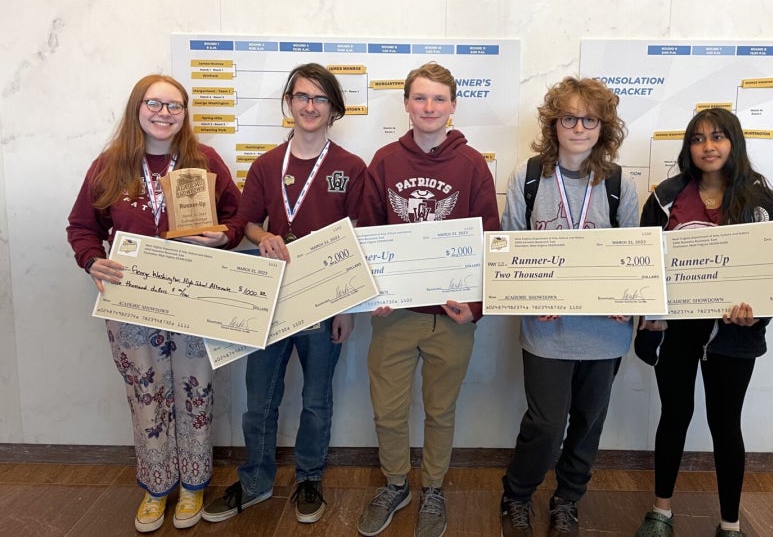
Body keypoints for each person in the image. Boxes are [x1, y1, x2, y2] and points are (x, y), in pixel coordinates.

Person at [66, 74, 244, 532]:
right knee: (146, 395)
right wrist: (92, 260)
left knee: (194, 393)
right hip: (131, 305)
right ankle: (156, 485)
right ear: (137, 108)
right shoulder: (110, 166)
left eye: (174, 106)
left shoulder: (204, 162)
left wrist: (224, 235)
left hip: (194, 302)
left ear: (185, 114)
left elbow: (238, 218)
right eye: (155, 104)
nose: (164, 114)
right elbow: (81, 226)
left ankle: (193, 484)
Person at [200, 64, 365, 525]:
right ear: (290, 103)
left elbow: (358, 242)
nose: (309, 107)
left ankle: (309, 478)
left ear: (334, 109)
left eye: (320, 99)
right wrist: (262, 235)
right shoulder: (268, 164)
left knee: (316, 400)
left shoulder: (351, 167)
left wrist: (348, 309)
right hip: (270, 300)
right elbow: (247, 222)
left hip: (325, 301)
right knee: (261, 400)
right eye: (301, 97)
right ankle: (255, 480)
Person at [355, 62, 501, 537]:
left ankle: (433, 488)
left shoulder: (472, 163)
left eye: (439, 99)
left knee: (440, 410)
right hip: (395, 314)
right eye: (421, 98)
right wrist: (371, 293)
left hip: (450, 317)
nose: (430, 107)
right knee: (388, 409)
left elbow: (489, 240)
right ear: (406, 104)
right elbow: (369, 235)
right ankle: (396, 483)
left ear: (453, 106)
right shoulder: (383, 160)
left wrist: (476, 308)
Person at [633, 108, 773, 537]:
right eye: (698, 139)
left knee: (726, 423)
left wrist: (758, 311)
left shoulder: (764, 203)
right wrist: (650, 315)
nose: (708, 147)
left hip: (733, 336)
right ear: (689, 148)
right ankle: (660, 512)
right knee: (675, 414)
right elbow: (644, 263)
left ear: (733, 143)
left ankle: (730, 524)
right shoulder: (665, 197)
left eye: (717, 137)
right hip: (677, 333)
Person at [498, 77, 639, 537]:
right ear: (553, 124)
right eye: (569, 118)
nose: (579, 128)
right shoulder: (529, 175)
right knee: (545, 422)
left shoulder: (619, 183)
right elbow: (511, 249)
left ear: (603, 127)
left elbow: (634, 255)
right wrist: (527, 296)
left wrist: (630, 301)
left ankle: (567, 500)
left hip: (606, 331)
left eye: (590, 119)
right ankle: (517, 494)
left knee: (588, 420)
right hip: (547, 329)